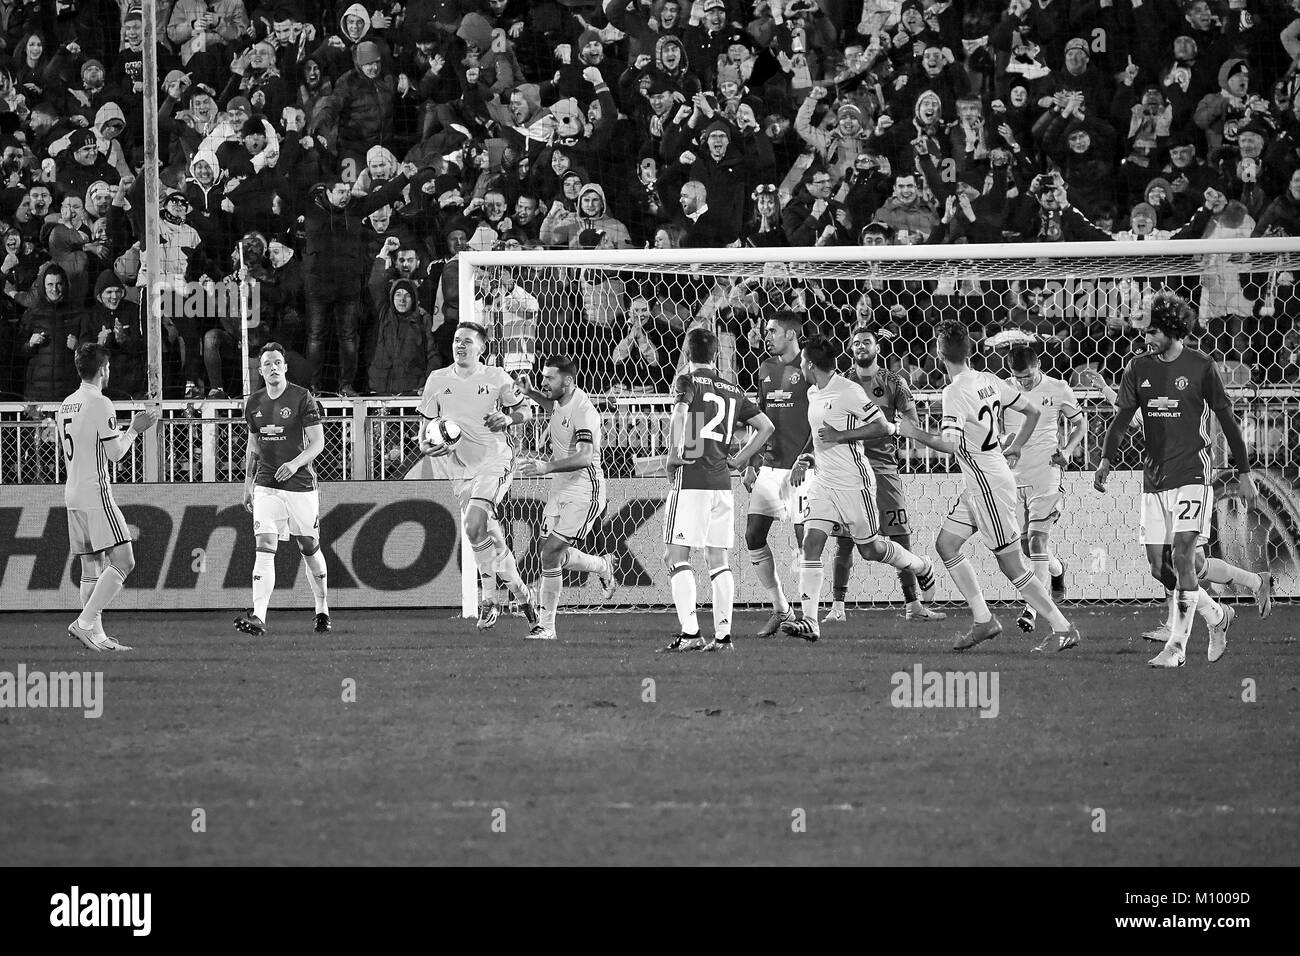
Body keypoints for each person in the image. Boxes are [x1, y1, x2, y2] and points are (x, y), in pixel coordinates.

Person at [1094, 292, 1260, 667]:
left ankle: (1176, 649)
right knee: (1159, 567)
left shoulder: (1201, 366)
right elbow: (1121, 418)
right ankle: (1218, 616)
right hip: (1154, 477)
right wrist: (1106, 458)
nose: (1146, 339)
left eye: (1152, 332)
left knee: (1184, 555)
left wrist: (1244, 473)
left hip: (1192, 474)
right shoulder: (1138, 367)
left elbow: (1229, 421)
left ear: (1172, 329)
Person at [900, 321, 1080, 652]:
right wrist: (1015, 447)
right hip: (984, 478)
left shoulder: (954, 392)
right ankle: (983, 620)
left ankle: (1062, 627)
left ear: (940, 353)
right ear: (969, 350)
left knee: (1011, 564)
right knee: (946, 545)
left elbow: (951, 444)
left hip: (988, 484)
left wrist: (914, 433)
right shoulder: (989, 380)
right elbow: (1034, 409)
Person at [783, 334, 938, 642]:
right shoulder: (813, 392)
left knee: (870, 550)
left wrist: (842, 436)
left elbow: (882, 425)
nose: (799, 363)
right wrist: (805, 459)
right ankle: (810, 621)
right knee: (811, 545)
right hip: (824, 483)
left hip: (855, 483)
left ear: (811, 363)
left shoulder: (848, 391)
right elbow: (818, 436)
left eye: (802, 359)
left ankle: (921, 565)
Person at [416, 321, 538, 631]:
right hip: (458, 471)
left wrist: (508, 417)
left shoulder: (496, 377)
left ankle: (489, 599)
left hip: (495, 463)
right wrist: (426, 445)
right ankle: (524, 596)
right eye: (457, 340)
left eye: (468, 341)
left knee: (472, 524)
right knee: (489, 537)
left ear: (481, 347)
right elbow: (425, 429)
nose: (460, 346)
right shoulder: (437, 379)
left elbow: (527, 411)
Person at [661, 326, 774, 653]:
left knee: (675, 555)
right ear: (715, 355)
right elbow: (766, 427)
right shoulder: (732, 388)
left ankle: (691, 633)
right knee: (718, 561)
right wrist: (739, 459)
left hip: (691, 479)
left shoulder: (686, 381)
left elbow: (680, 416)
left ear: (686, 351)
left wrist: (672, 455)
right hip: (721, 485)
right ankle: (723, 638)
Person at [825, 327, 947, 625]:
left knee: (900, 536)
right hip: (850, 470)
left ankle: (914, 606)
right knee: (845, 541)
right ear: (850, 349)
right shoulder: (840, 383)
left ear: (877, 347)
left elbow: (911, 420)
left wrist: (893, 425)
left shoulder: (895, 382)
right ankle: (837, 607)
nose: (861, 346)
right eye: (856, 343)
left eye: (867, 342)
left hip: (884, 470)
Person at [58, 344, 161, 651]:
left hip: (73, 493)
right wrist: (134, 430)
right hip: (95, 493)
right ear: (103, 369)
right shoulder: (101, 403)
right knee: (124, 560)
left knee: (92, 567)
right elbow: (116, 454)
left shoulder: (66, 403)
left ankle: (98, 636)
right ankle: (85, 623)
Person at [517, 356, 616, 640]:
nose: (544, 382)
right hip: (560, 488)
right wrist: (531, 393)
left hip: (585, 490)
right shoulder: (563, 401)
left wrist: (546, 466)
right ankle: (602, 565)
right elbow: (554, 408)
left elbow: (585, 457)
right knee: (553, 557)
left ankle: (546, 627)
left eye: (549, 378)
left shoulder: (585, 411)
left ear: (568, 381)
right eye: (544, 377)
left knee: (549, 553)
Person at [236, 343, 331, 637]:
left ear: (285, 367)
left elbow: (318, 442)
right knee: (265, 545)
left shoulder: (302, 398)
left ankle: (322, 608)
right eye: (268, 364)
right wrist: (248, 483)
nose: (274, 367)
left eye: (278, 362)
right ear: (261, 370)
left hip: (300, 485)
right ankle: (259, 617)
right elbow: (253, 445)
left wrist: (294, 464)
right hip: (266, 483)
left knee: (308, 546)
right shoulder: (253, 403)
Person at [1002, 343, 1086, 645]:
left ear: (1038, 366)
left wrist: (1067, 449)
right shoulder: (1003, 389)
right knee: (1027, 547)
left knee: (1037, 539)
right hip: (1013, 478)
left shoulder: (1058, 388)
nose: (1022, 382)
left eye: (1027, 376)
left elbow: (1080, 423)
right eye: (1017, 377)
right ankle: (1057, 569)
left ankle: (1032, 610)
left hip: (1046, 474)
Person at [743, 311, 810, 638]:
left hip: (803, 469)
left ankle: (809, 616)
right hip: (770, 466)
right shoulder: (765, 369)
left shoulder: (809, 368)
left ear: (790, 334)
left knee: (805, 546)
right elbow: (760, 416)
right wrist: (752, 460)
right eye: (766, 331)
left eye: (771, 331)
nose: (765, 336)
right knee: (753, 536)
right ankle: (782, 609)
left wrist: (808, 457)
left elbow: (824, 415)